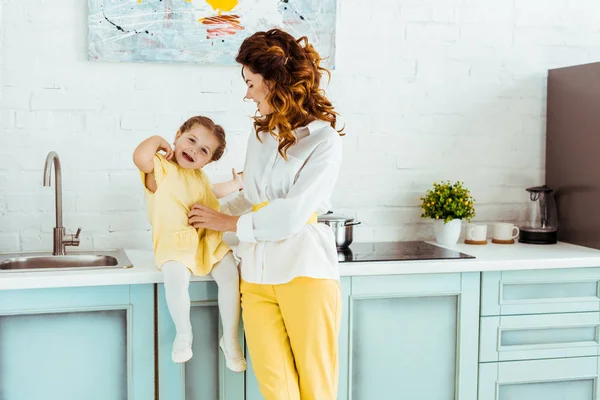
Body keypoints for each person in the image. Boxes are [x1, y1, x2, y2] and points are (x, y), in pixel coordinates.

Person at [187, 29, 343, 399]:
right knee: (275, 387)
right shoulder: (261, 135)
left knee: (315, 386)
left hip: (304, 272)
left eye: (251, 83)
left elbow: (292, 214)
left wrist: (227, 223)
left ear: (274, 82)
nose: (247, 93)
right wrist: (205, 219)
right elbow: (253, 197)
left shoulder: (324, 140)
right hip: (255, 276)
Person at [133, 115, 247, 372]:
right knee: (176, 277)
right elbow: (140, 157)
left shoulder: (200, 178)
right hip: (174, 243)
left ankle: (229, 338)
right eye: (191, 140)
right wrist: (158, 141)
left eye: (203, 150)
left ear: (208, 161)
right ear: (178, 136)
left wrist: (238, 183)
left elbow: (214, 192)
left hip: (205, 241)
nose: (194, 149)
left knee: (230, 275)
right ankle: (183, 333)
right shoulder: (161, 168)